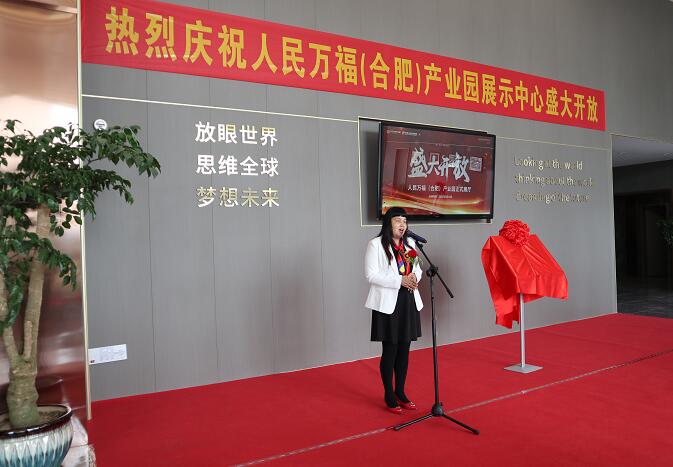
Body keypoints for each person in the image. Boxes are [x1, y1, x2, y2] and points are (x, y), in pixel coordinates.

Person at [365, 207, 423, 414]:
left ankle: (400, 391)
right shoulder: (375, 245)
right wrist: (400, 281)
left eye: (405, 221)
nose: (402, 225)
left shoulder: (410, 244)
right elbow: (371, 275)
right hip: (388, 303)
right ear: (388, 223)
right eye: (398, 220)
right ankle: (389, 394)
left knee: (404, 349)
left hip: (408, 300)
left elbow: (418, 269)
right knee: (390, 350)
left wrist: (414, 277)